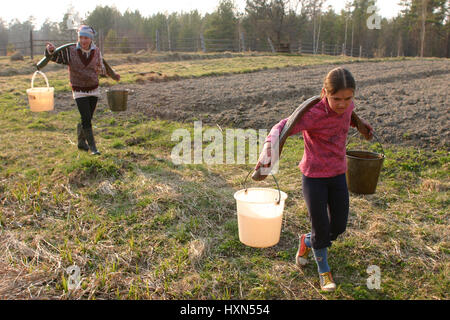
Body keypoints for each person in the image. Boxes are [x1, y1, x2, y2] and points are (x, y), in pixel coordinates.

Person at [255, 67, 373, 292]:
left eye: (348, 98)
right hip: (314, 177)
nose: (342, 104)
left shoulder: (347, 107)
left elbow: (350, 116)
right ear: (324, 93)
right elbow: (281, 127)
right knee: (320, 225)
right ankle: (324, 270)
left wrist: (362, 125)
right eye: (336, 99)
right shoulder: (313, 114)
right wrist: (268, 151)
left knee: (338, 226)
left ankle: (307, 241)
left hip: (338, 174)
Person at [45, 25, 120, 155]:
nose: (83, 41)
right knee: (86, 118)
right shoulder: (71, 50)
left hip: (93, 89)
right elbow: (55, 57)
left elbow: (102, 65)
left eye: (86, 38)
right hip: (79, 89)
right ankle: (93, 148)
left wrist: (111, 74)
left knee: (88, 117)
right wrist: (50, 51)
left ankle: (81, 142)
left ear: (90, 39)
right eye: (81, 37)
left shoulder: (96, 51)